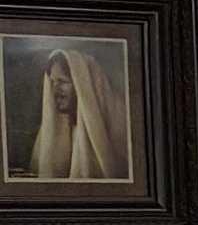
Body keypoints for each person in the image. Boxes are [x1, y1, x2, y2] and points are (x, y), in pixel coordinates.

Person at [23, 45, 129, 181]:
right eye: (53, 82)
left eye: (62, 81)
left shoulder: (121, 126)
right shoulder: (53, 134)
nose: (54, 91)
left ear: (83, 85)